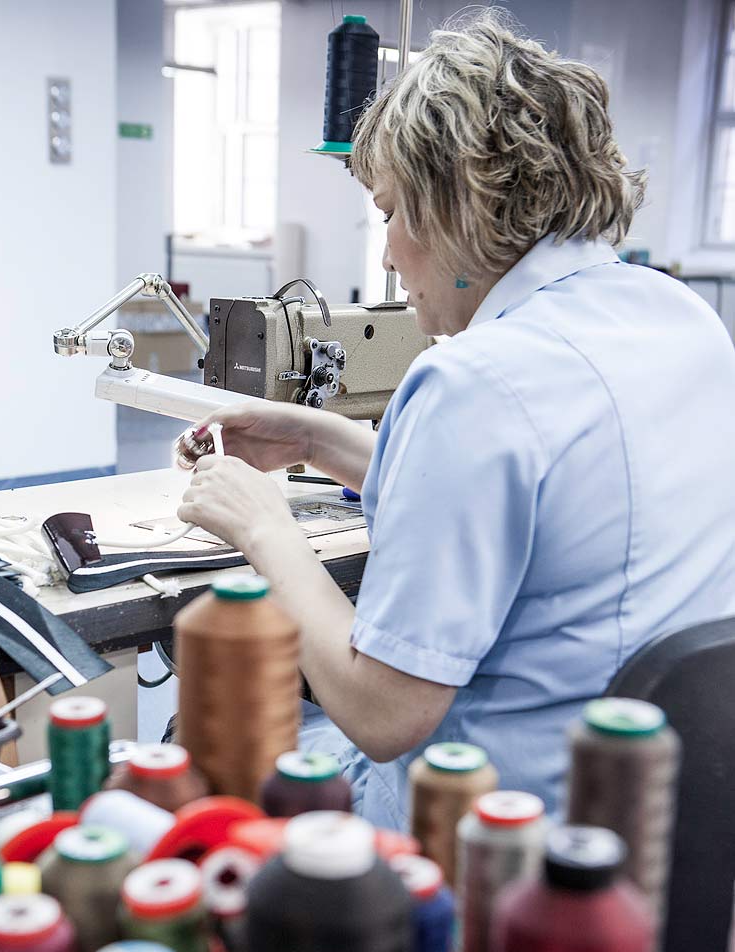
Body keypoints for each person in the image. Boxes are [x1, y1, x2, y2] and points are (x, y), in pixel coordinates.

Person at [177, 10, 735, 828]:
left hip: (485, 833)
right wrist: (322, 440)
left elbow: (381, 713)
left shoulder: (474, 378)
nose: (387, 254)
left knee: (194, 743)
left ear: (458, 205)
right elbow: (549, 506)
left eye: (392, 212)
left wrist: (265, 531)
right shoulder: (678, 318)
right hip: (649, 809)